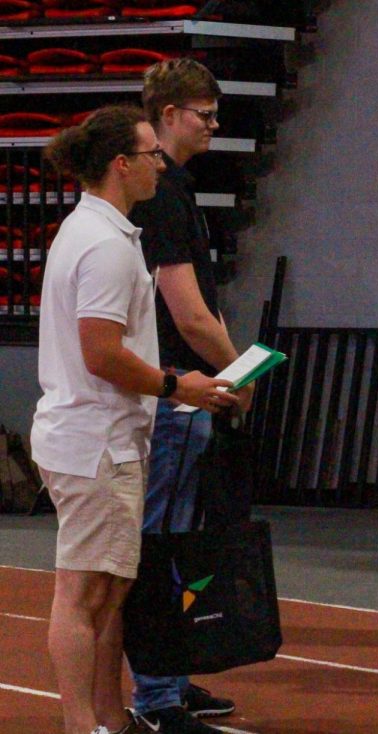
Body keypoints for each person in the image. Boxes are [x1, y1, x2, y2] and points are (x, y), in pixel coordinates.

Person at [32, 106, 236, 734]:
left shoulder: (99, 232)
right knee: (84, 594)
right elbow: (101, 352)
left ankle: (108, 718)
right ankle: (81, 724)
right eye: (150, 154)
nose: (158, 164)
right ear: (122, 164)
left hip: (99, 436)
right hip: (96, 441)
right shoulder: (103, 245)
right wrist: (180, 385)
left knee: (108, 592)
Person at [128, 58, 250, 733]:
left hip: (188, 392)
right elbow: (189, 314)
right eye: (204, 114)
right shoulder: (165, 193)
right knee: (164, 543)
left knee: (178, 541)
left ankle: (167, 675)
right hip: (178, 396)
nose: (213, 125)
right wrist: (238, 374)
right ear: (168, 114)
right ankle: (156, 693)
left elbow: (203, 304)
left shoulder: (177, 188)